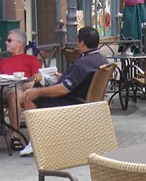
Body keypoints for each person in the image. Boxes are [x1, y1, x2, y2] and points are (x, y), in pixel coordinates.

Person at [20, 26, 107, 156]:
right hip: (87, 100)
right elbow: (79, 79)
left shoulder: (83, 63)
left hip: (73, 102)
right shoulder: (101, 59)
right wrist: (63, 76)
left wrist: (37, 92)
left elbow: (63, 89)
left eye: (77, 41)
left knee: (29, 96)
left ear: (82, 43)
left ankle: (36, 140)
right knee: (39, 91)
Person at [0, 28, 41, 151]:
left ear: (19, 43)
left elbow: (39, 74)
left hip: (20, 88)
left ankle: (14, 135)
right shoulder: (3, 61)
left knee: (14, 95)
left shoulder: (31, 59)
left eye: (9, 40)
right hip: (1, 89)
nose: (6, 42)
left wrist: (33, 79)